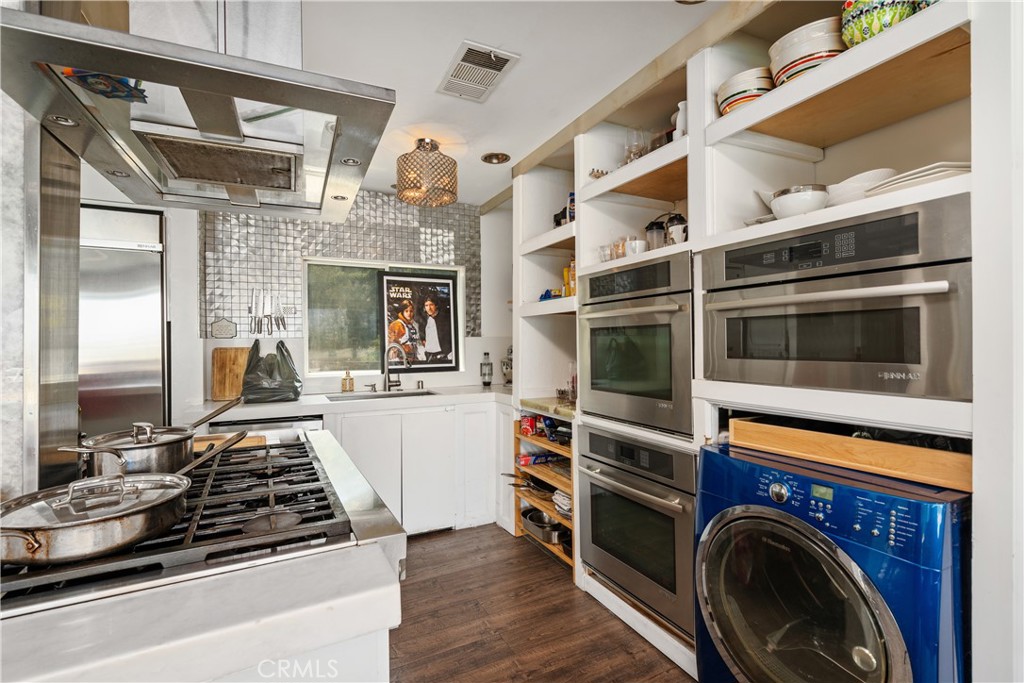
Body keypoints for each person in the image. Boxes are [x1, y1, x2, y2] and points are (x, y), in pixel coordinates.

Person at [421, 295, 452, 363]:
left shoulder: (445, 319)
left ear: (436, 305)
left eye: (431, 305)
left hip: (443, 355)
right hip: (428, 355)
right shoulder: (424, 320)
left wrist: (450, 353)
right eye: (426, 305)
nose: (429, 308)